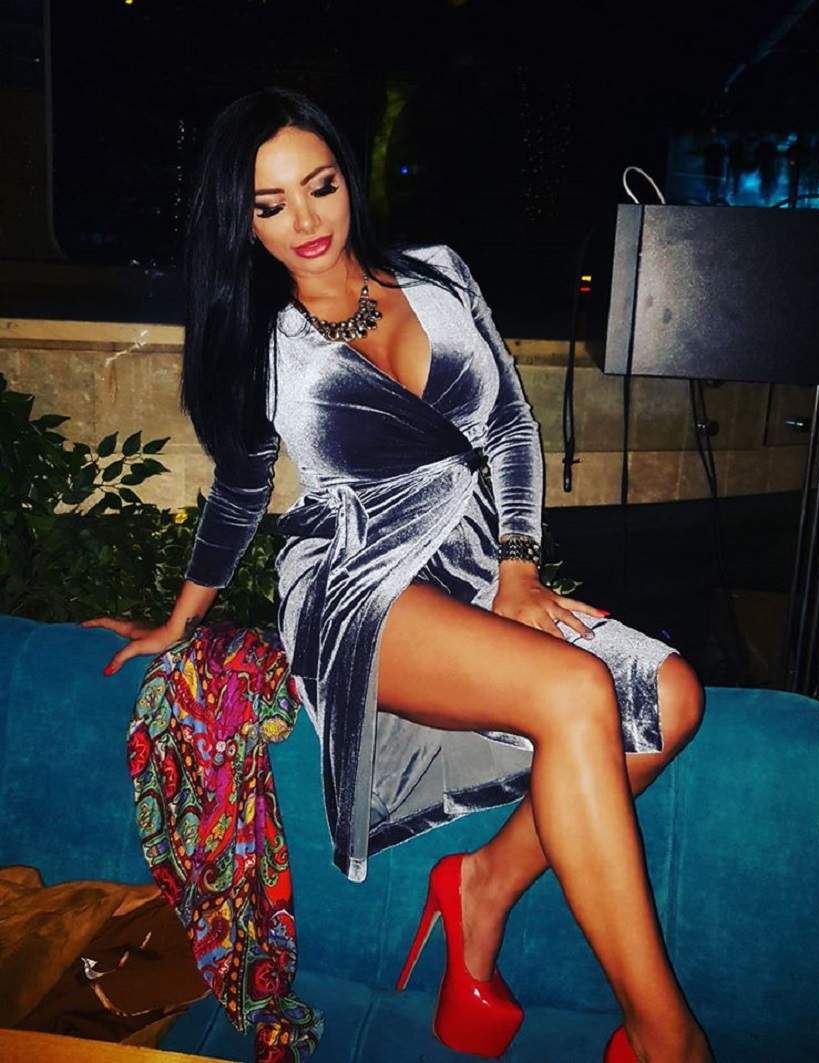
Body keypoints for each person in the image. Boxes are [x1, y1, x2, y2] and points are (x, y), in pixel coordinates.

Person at [86, 87, 713, 1063]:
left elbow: (507, 423)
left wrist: (516, 568)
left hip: (472, 562)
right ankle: (666, 1035)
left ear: (348, 177)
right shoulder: (260, 337)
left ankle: (481, 886)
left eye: (320, 186)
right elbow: (241, 492)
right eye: (270, 204)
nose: (305, 221)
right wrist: (178, 620)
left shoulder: (438, 274)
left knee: (670, 696)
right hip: (354, 580)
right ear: (241, 220)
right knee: (573, 689)